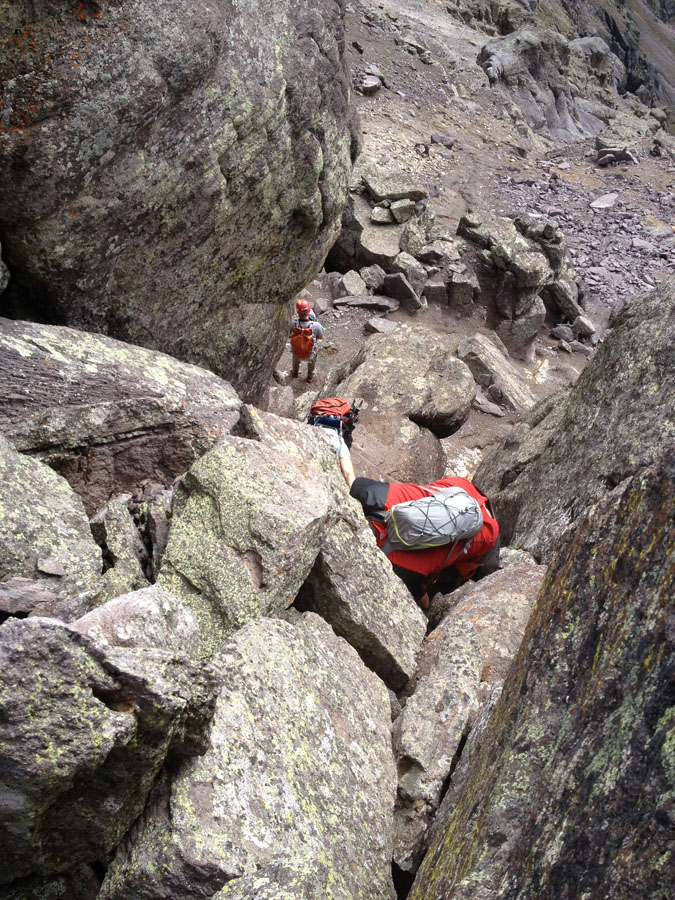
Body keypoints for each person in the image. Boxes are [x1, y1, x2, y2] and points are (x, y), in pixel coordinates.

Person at [349, 475, 500, 611]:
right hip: (461, 489)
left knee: (456, 577)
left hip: (485, 536)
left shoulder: (397, 566)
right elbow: (356, 483)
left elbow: (425, 604)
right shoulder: (371, 494)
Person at [290, 298, 324, 383]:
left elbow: (290, 335)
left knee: (295, 359)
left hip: (297, 351)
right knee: (312, 362)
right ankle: (310, 376)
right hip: (310, 351)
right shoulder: (316, 325)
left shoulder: (293, 323)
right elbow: (320, 337)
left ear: (298, 312)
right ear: (309, 310)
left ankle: (295, 372)